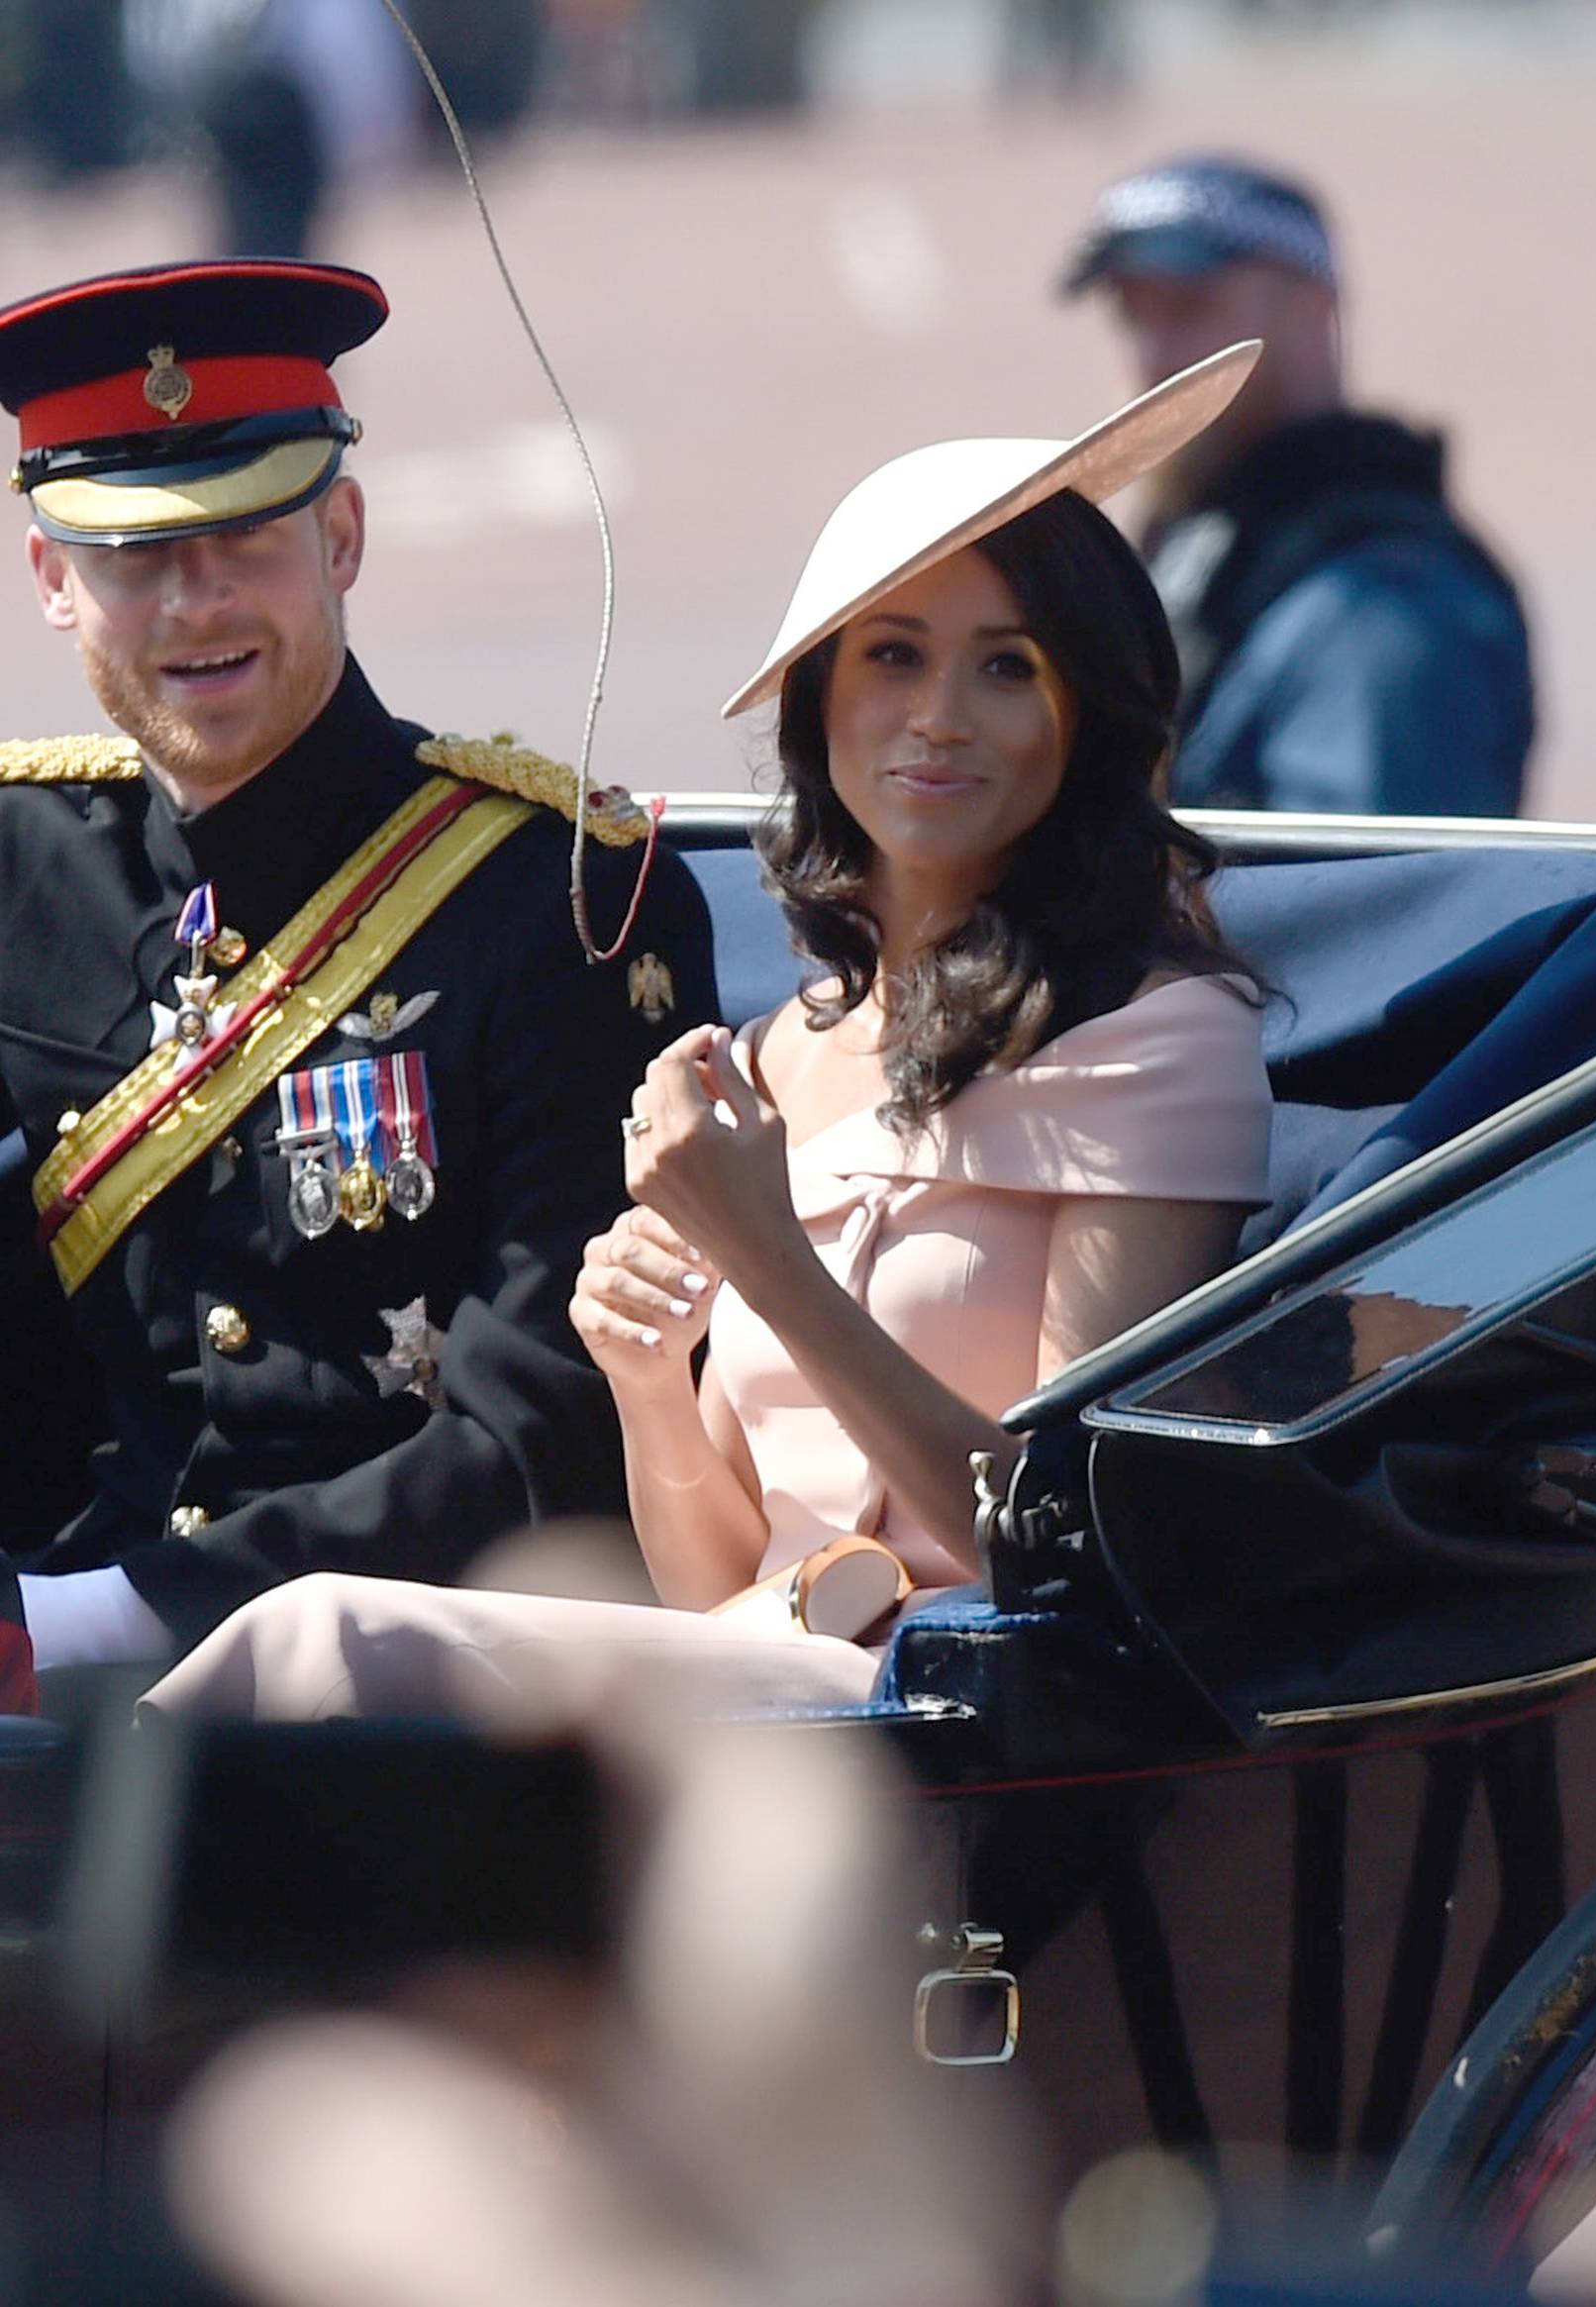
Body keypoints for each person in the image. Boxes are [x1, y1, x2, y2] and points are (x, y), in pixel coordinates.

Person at [139, 342, 1277, 1723]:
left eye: (1007, 667)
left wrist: (767, 1256)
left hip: (975, 1711)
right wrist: (645, 1385)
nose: (937, 717)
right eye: (894, 657)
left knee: (319, 1644)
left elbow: (1056, 1542)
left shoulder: (1162, 1036)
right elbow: (716, 1578)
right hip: (772, 1692)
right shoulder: (779, 1058)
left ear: (1084, 710)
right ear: (822, 703)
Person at [0, 257, 718, 1690]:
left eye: (247, 540)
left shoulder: (567, 894)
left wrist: (97, 1622)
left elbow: (554, 1435)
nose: (196, 604)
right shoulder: (24, 862)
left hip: (408, 1707)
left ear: (342, 535)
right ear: (52, 583)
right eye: (136, 557)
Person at [1059, 154, 1536, 820]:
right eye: (1132, 317)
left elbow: (1382, 904)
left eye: (1191, 308)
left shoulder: (1384, 607)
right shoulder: (1223, 541)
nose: (1151, 361)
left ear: (1314, 313)